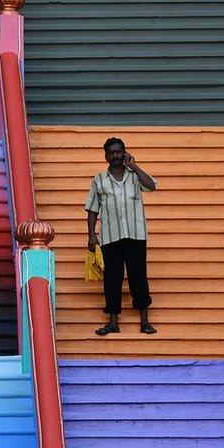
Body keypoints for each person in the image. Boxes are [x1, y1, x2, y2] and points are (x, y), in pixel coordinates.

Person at [85, 137, 158, 335]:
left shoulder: (135, 176)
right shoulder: (98, 180)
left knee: (138, 277)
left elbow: (151, 186)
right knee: (112, 279)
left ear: (124, 153)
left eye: (119, 152)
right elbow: (92, 209)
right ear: (105, 155)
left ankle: (145, 321)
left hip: (136, 236)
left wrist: (134, 166)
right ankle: (113, 322)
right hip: (110, 238)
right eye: (111, 152)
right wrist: (91, 236)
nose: (115, 156)